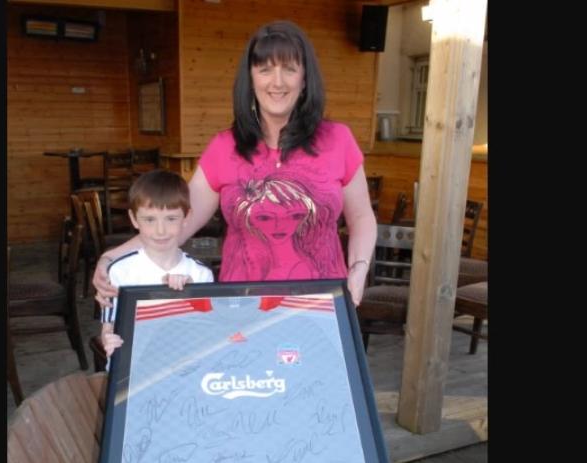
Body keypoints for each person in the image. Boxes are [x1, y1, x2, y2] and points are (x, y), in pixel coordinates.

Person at [93, 20, 377, 307]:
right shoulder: (223, 147)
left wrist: (358, 270)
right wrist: (110, 258)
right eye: (265, 69)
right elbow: (176, 222)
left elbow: (362, 218)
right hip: (242, 305)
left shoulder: (338, 139)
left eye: (289, 69)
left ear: (304, 80)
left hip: (322, 302)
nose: (277, 82)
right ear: (251, 79)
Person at [100, 169, 214, 358]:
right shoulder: (120, 271)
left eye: (171, 219)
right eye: (150, 219)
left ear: (187, 217)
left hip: (184, 366)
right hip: (134, 369)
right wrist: (108, 339)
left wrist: (190, 293)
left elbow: (206, 330)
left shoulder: (201, 274)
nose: (160, 231)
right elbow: (108, 326)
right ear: (134, 219)